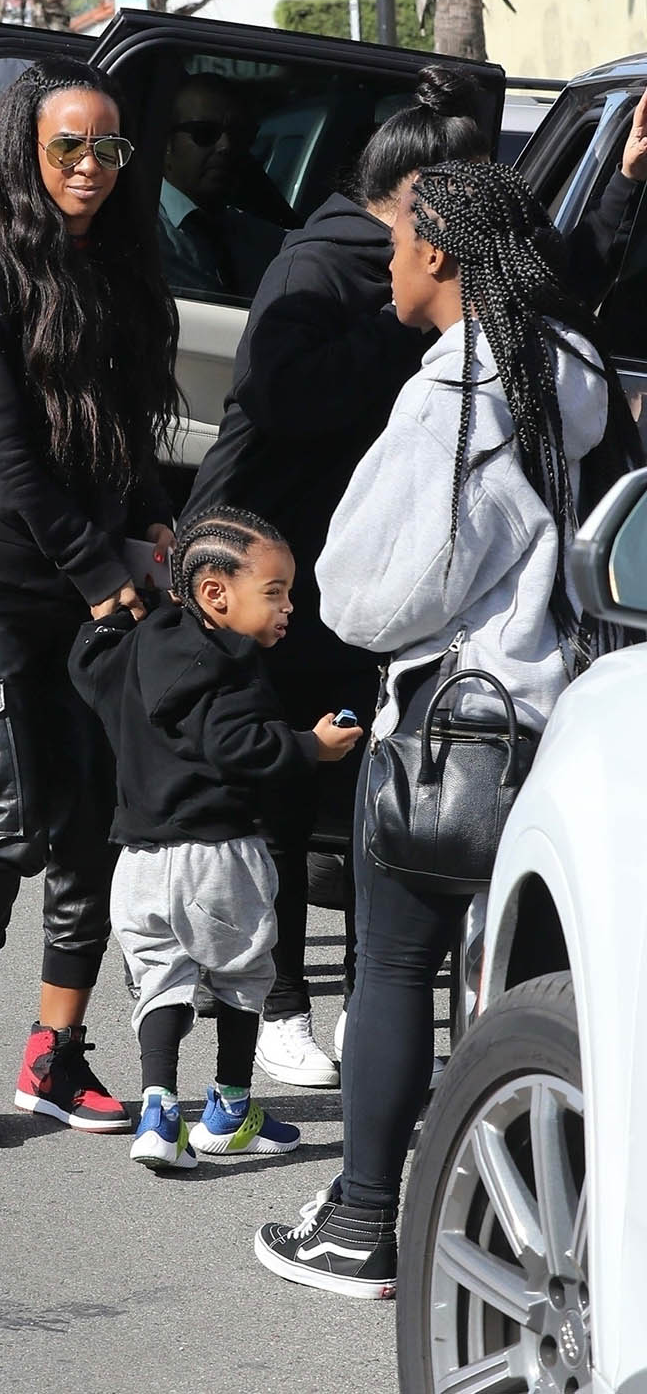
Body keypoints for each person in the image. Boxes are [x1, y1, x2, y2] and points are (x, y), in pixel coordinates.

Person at [183, 67, 647, 1090]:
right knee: (282, 776)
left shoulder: (483, 330)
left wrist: (615, 184)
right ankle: (279, 1003)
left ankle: (367, 1028)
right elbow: (280, 398)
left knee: (381, 806)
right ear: (414, 207)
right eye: (457, 194)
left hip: (415, 579)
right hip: (294, 551)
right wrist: (409, 333)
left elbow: (554, 276)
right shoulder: (323, 276)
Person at [254, 159, 644, 1297]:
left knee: (391, 969)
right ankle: (531, 1217)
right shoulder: (570, 368)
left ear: (440, 257)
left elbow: (373, 591)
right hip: (568, 722)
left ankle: (364, 1221)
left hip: (453, 729)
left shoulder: (454, 394)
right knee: (525, 990)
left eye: (399, 240)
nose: (386, 258)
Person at [0, 56, 180, 1140]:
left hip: (79, 572)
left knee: (92, 819)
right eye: (67, 147)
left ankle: (55, 1057)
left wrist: (153, 518)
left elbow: (118, 428)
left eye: (107, 150)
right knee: (12, 807)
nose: (89, 169)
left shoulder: (106, 272)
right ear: (25, 151)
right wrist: (100, 566)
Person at [69, 507, 362, 1170]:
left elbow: (89, 668)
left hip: (140, 861)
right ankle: (229, 1108)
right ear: (214, 592)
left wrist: (114, 617)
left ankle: (158, 1109)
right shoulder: (229, 665)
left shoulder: (144, 648)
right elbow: (238, 745)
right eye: (276, 592)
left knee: (161, 983)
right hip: (219, 855)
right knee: (241, 977)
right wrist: (310, 746)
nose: (290, 607)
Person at [158, 72, 286, 298]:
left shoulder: (259, 238)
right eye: (205, 133)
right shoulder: (143, 232)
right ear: (168, 143)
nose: (226, 146)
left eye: (239, 134)